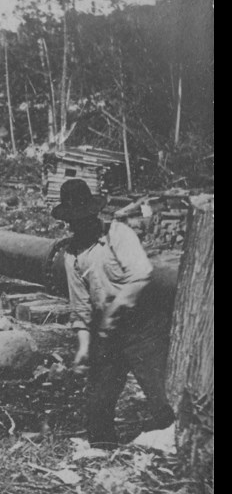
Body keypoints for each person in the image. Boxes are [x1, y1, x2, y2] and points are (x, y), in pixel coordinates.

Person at [53, 179, 175, 449]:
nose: (78, 225)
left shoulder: (118, 234)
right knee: (98, 402)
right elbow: (80, 306)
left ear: (94, 215)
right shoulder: (72, 255)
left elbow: (141, 274)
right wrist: (84, 347)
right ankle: (103, 453)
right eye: (73, 221)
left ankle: (179, 448)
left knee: (162, 396)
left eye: (83, 218)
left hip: (143, 325)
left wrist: (114, 309)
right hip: (107, 332)